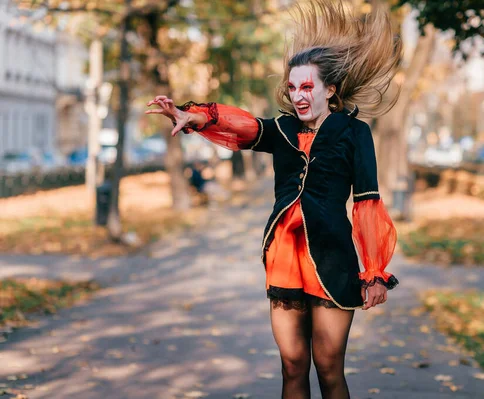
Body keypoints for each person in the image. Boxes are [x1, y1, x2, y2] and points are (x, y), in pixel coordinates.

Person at [146, 1, 402, 398]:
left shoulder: (354, 133)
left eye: (307, 86)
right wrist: (191, 115)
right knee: (292, 366)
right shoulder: (281, 130)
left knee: (329, 369)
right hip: (285, 257)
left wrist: (374, 271)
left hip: (332, 259)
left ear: (329, 89)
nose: (298, 95)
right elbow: (245, 127)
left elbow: (367, 201)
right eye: (292, 87)